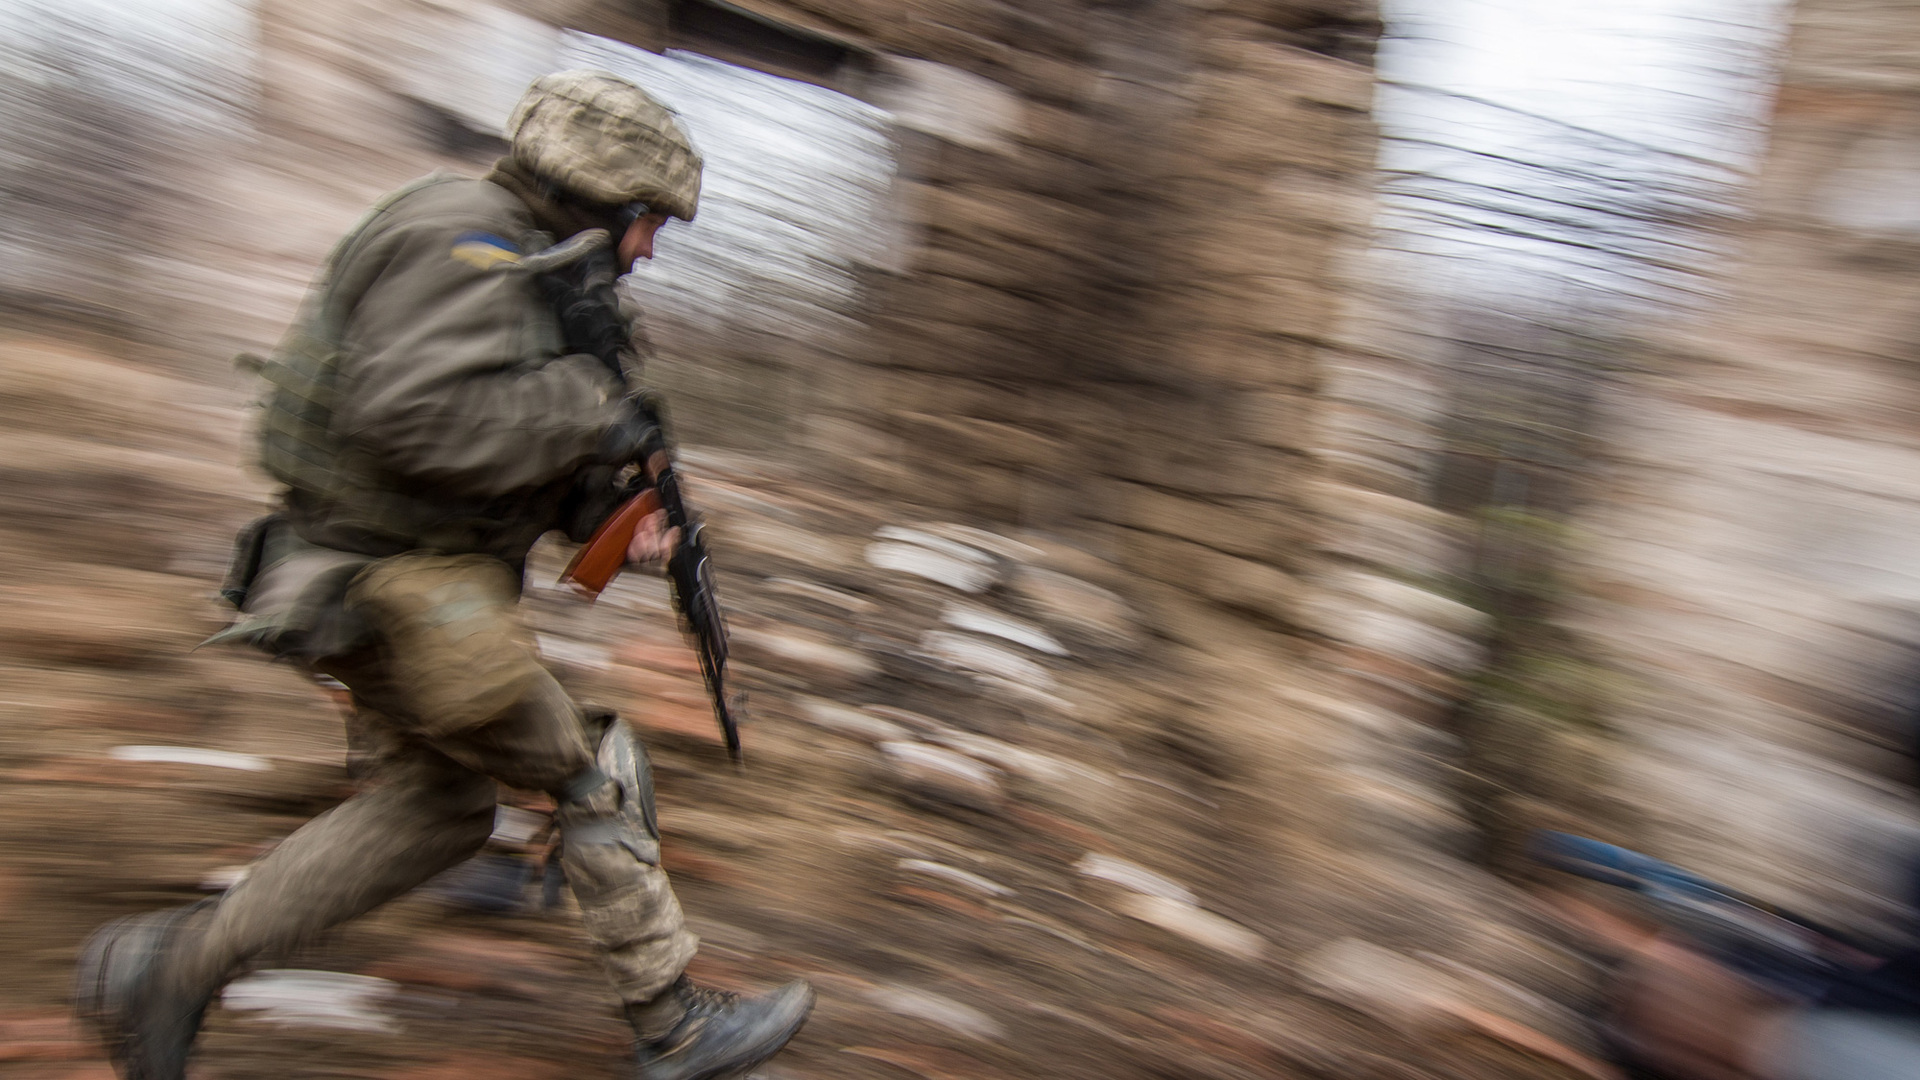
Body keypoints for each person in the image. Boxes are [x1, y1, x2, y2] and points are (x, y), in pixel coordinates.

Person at [73, 70, 813, 1080]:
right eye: (647, 221)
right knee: (591, 765)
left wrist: (606, 522)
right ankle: (674, 1025)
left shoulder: (536, 266)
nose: (647, 249)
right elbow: (408, 419)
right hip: (386, 581)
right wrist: (590, 412)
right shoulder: (463, 235)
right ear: (597, 189)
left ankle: (168, 966)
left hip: (401, 579)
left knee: (440, 809)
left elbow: (497, 457)